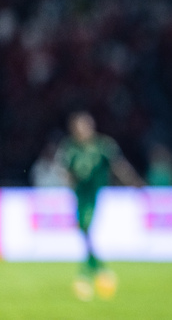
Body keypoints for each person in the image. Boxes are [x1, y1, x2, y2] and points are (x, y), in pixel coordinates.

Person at [57, 111, 145, 301]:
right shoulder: (70, 148)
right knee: (83, 230)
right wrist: (68, 180)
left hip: (95, 194)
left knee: (86, 226)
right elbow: (64, 169)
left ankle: (86, 274)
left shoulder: (103, 146)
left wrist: (133, 181)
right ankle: (100, 271)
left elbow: (119, 166)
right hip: (79, 195)